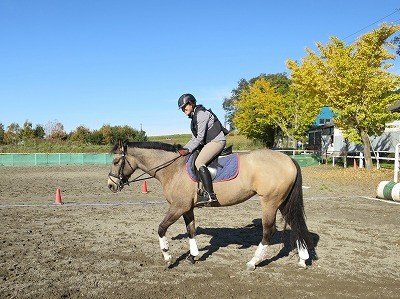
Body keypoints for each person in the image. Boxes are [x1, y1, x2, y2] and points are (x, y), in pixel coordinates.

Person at [177, 93, 228, 206]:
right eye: (181, 108)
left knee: (199, 162)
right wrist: (183, 149)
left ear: (191, 104)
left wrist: (187, 150)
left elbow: (199, 138)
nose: (183, 109)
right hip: (208, 143)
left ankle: (210, 194)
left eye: (185, 106)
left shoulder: (201, 115)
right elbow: (194, 139)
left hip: (217, 141)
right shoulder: (193, 119)